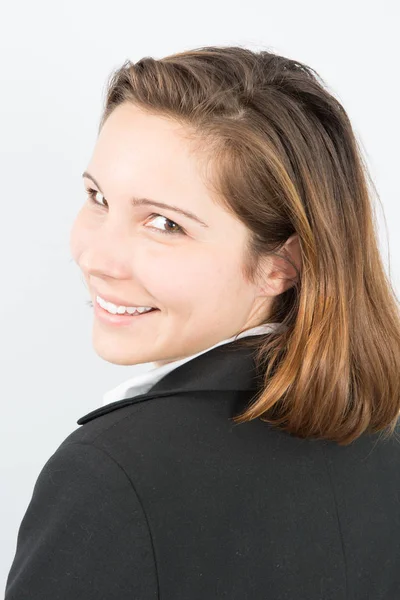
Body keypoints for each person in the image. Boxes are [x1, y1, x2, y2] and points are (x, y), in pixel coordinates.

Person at [5, 45, 400, 599]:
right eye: (98, 197)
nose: (95, 256)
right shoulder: (383, 437)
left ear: (279, 264)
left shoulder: (112, 474)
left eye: (164, 223)